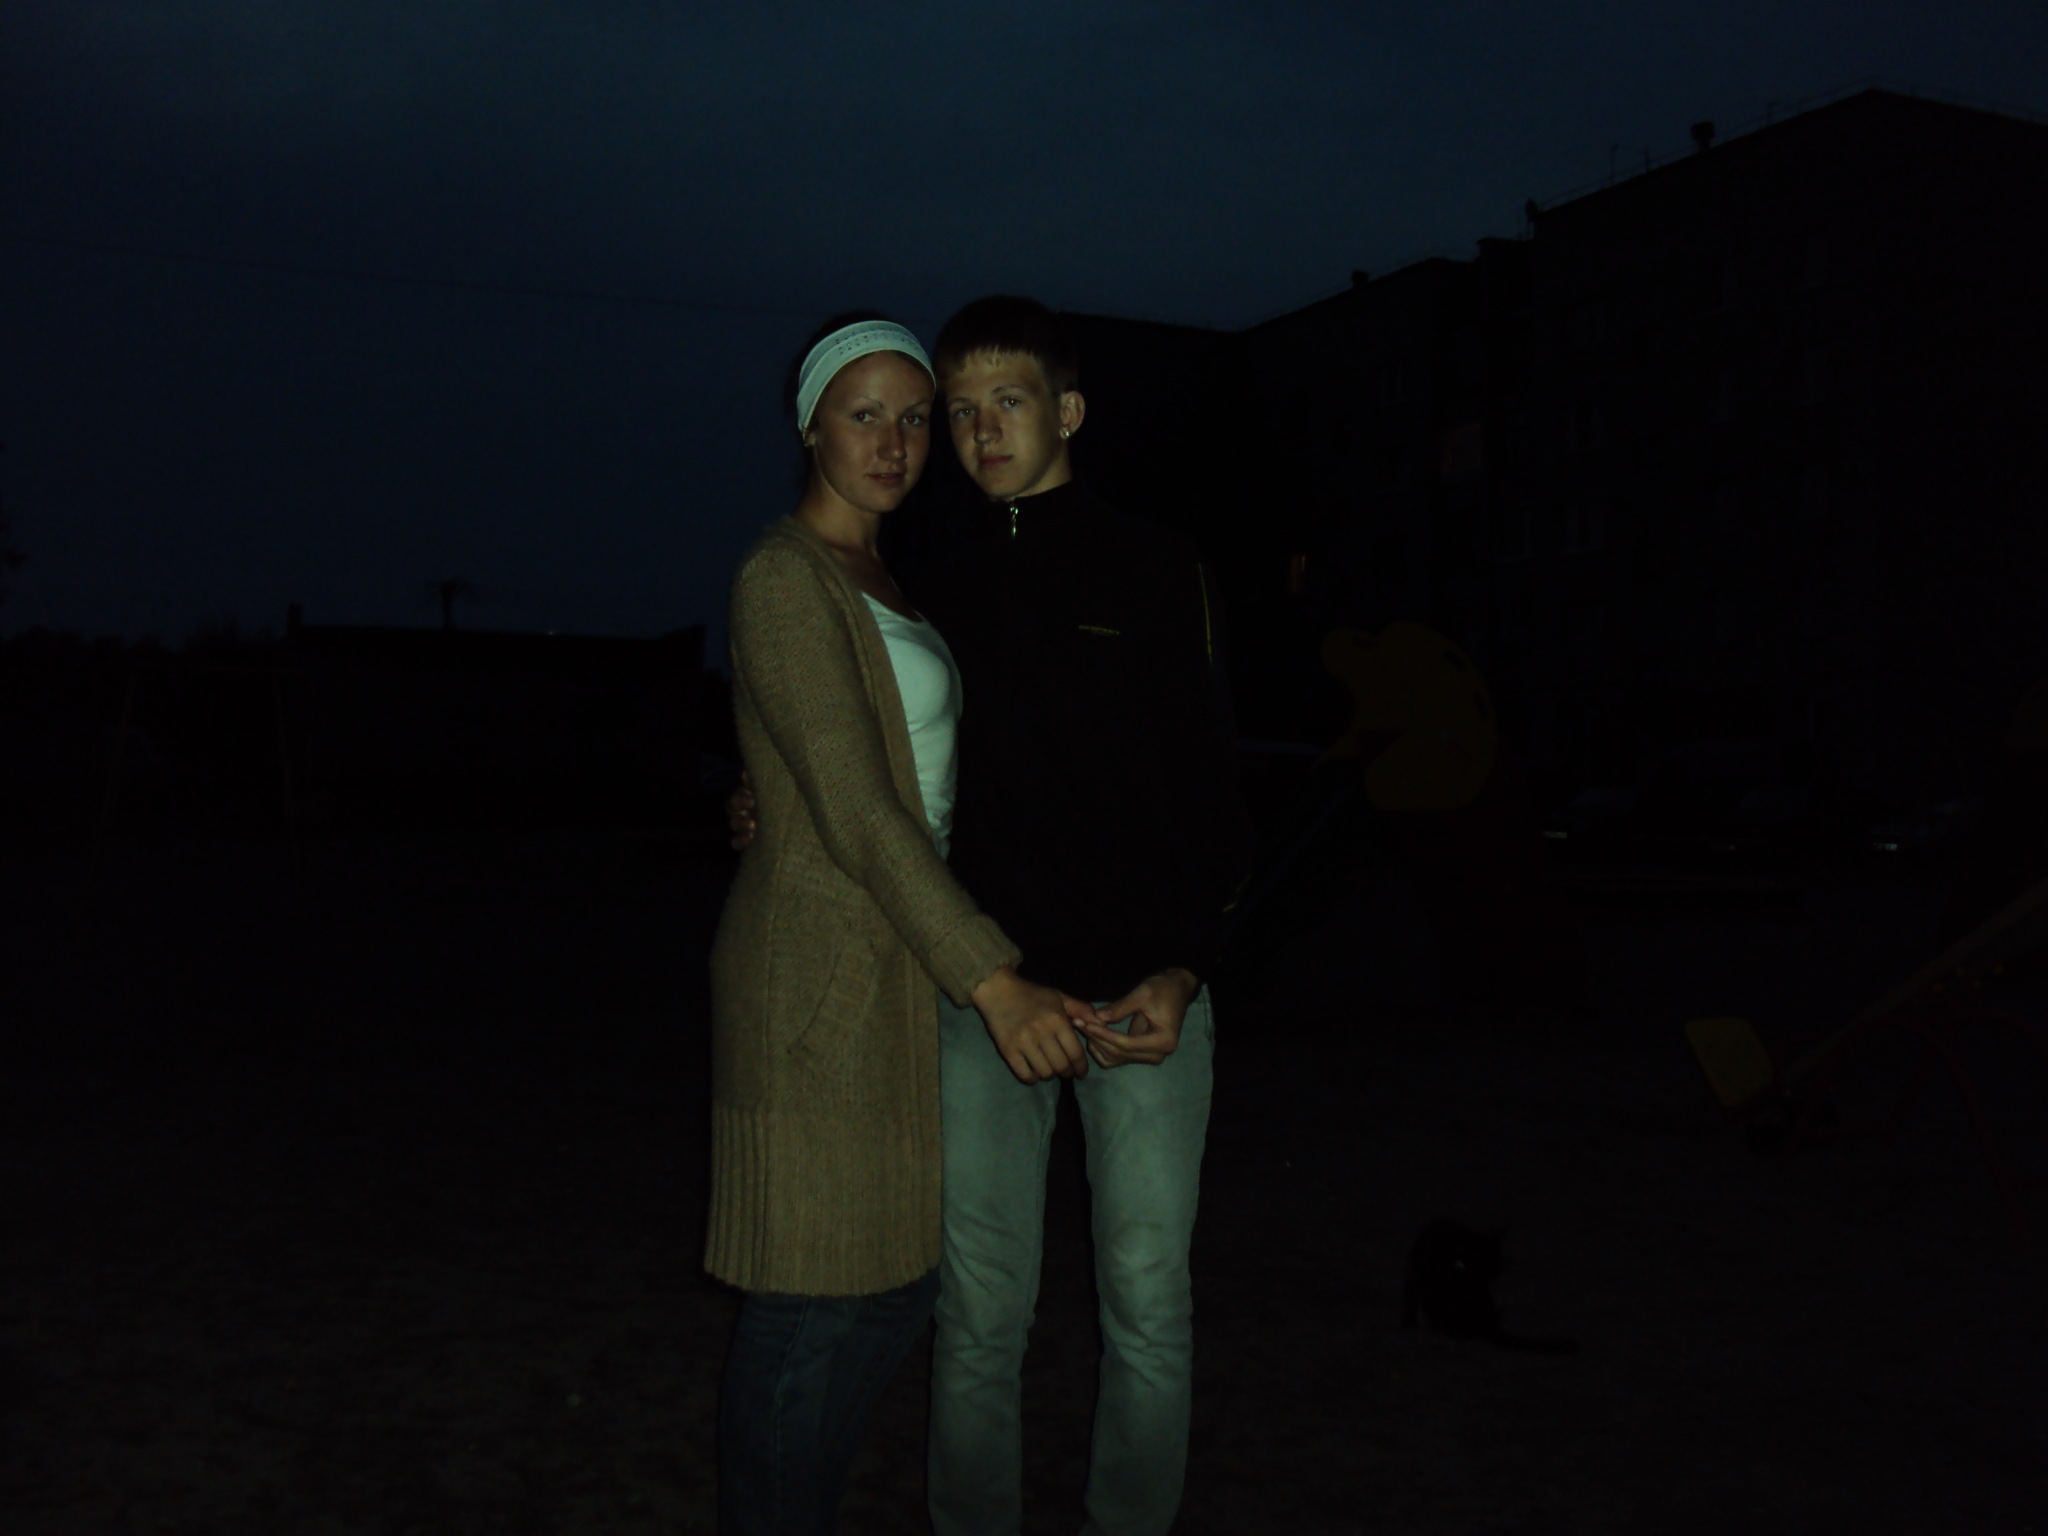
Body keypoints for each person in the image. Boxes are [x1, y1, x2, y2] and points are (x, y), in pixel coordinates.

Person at [732, 297, 1252, 1535]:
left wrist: (1185, 968)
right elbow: (872, 756)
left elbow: (1216, 793)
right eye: (955, 412)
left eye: (1001, 403)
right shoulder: (934, 588)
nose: (975, 433)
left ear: (1066, 411)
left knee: (1147, 1307)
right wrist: (762, 796)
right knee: (977, 1316)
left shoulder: (1157, 564)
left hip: (1142, 997)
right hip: (984, 1001)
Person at [707, 313, 1091, 1536]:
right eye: (862, 413)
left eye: (913, 417)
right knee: (808, 1300)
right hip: (820, 977)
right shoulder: (782, 576)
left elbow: (920, 783)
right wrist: (994, 979)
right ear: (809, 427)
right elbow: (859, 806)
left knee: (891, 1287)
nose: (893, 442)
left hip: (899, 970)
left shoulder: (884, 578)